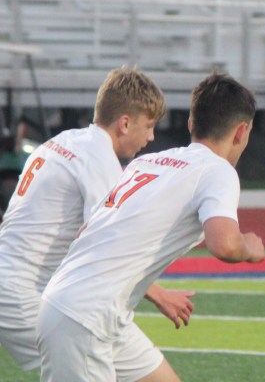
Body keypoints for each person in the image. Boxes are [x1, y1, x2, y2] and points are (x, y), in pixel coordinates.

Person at [37, 72, 265, 381]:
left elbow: (87, 230)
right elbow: (224, 245)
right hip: (85, 317)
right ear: (241, 132)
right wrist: (249, 246)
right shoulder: (217, 170)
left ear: (191, 124)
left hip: (91, 310)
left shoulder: (147, 163)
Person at [0, 67, 196, 375]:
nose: (151, 137)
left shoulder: (60, 142)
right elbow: (107, 245)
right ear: (125, 123)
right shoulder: (99, 157)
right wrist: (160, 296)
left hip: (19, 286)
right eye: (148, 126)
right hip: (29, 297)